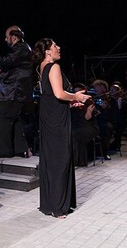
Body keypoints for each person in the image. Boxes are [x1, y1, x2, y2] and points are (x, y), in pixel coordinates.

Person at [32, 38, 91, 218]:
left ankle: (51, 203)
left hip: (49, 113)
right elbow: (59, 93)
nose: (59, 47)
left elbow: (51, 94)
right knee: (61, 158)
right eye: (55, 46)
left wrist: (70, 100)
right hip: (56, 118)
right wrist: (77, 98)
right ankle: (59, 207)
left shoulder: (41, 66)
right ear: (48, 51)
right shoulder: (54, 67)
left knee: (52, 157)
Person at [0, 25, 34, 158]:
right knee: (14, 119)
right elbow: (14, 68)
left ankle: (4, 151)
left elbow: (6, 62)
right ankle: (19, 150)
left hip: (14, 92)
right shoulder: (22, 49)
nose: (5, 39)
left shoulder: (21, 48)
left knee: (2, 117)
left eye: (7, 36)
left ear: (14, 37)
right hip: (18, 91)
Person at [70, 82, 100, 167]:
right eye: (75, 92)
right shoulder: (71, 102)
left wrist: (89, 111)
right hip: (75, 126)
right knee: (70, 133)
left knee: (75, 134)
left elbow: (88, 118)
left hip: (89, 127)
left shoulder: (89, 103)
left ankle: (76, 161)